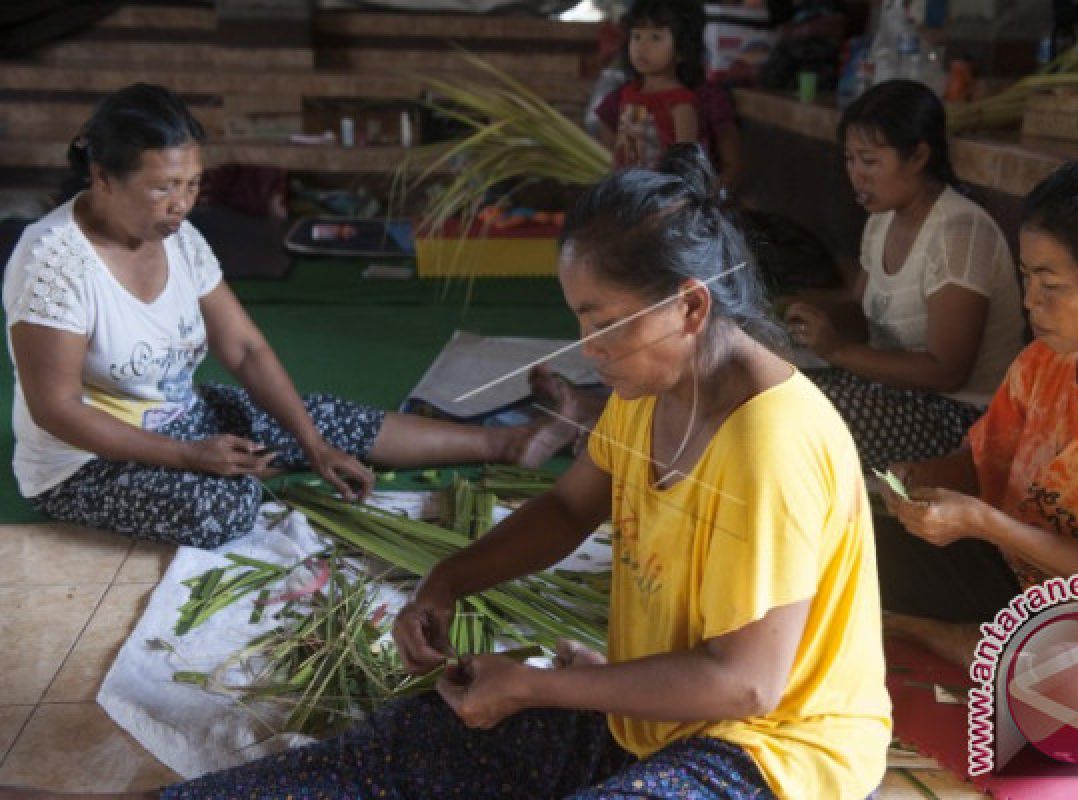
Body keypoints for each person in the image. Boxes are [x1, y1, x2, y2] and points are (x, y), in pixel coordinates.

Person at [13, 145, 890, 800]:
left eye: (601, 321)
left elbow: (747, 683)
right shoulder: (655, 387)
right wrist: (447, 580)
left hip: (774, 753)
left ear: (690, 306)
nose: (585, 348)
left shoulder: (771, 443)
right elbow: (565, 510)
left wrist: (546, 686)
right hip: (662, 716)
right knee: (411, 743)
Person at [1, 83, 570, 549]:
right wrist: (188, 456)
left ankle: (506, 444)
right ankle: (243, 469)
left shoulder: (181, 237)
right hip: (84, 464)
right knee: (222, 508)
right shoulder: (53, 261)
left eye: (193, 185)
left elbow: (245, 348)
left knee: (324, 421)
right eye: (163, 188)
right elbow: (57, 409)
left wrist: (313, 444)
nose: (183, 203)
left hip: (181, 421)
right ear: (102, 179)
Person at [878, 158, 1078, 730]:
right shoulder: (1045, 360)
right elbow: (983, 463)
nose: (1031, 302)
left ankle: (920, 630)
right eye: (1028, 278)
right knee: (857, 539)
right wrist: (914, 479)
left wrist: (983, 524)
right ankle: (985, 643)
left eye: (1051, 285)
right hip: (1025, 587)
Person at [781, 80, 1025, 472]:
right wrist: (791, 314)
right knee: (769, 389)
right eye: (850, 159)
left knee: (801, 423)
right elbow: (859, 313)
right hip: (894, 395)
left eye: (870, 161)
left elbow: (948, 371)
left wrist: (837, 351)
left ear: (918, 157)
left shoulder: (959, 233)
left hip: (960, 418)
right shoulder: (882, 220)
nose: (857, 175)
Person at [596, 0, 705, 171]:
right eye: (636, 36)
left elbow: (686, 163)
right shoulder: (628, 93)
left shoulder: (681, 103)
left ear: (682, 50)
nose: (642, 47)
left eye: (655, 37)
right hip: (627, 187)